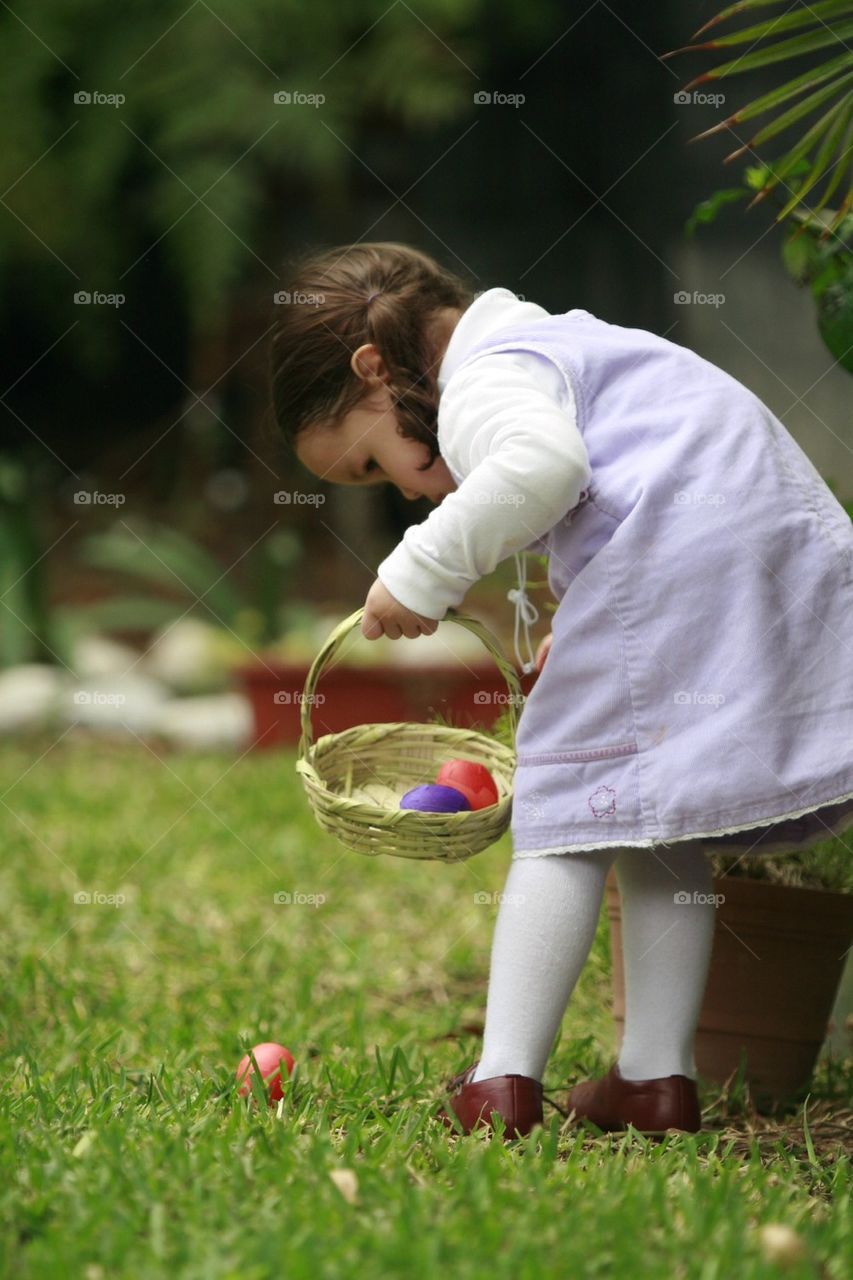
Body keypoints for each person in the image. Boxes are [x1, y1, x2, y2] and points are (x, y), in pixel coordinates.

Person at [269, 241, 853, 1141]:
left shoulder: (482, 379)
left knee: (564, 811)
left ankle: (500, 1081)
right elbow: (609, 490)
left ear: (376, 372)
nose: (406, 493)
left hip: (682, 554)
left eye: (374, 463)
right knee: (649, 809)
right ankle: (655, 1079)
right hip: (757, 537)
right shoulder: (556, 345)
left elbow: (542, 470)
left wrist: (419, 570)